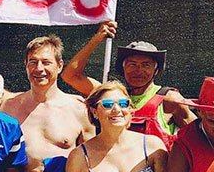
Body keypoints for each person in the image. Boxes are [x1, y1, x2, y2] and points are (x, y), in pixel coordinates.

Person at [1, 35, 94, 172]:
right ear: (26, 66)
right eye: (33, 62)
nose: (39, 69)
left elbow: (92, 163)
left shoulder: (78, 109)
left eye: (46, 62)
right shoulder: (8, 108)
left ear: (60, 65)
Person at [62, 20, 194, 147]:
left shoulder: (170, 99)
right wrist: (97, 39)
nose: (138, 70)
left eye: (146, 65)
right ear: (123, 67)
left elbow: (202, 135)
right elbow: (70, 76)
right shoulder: (110, 95)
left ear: (156, 70)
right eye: (132, 64)